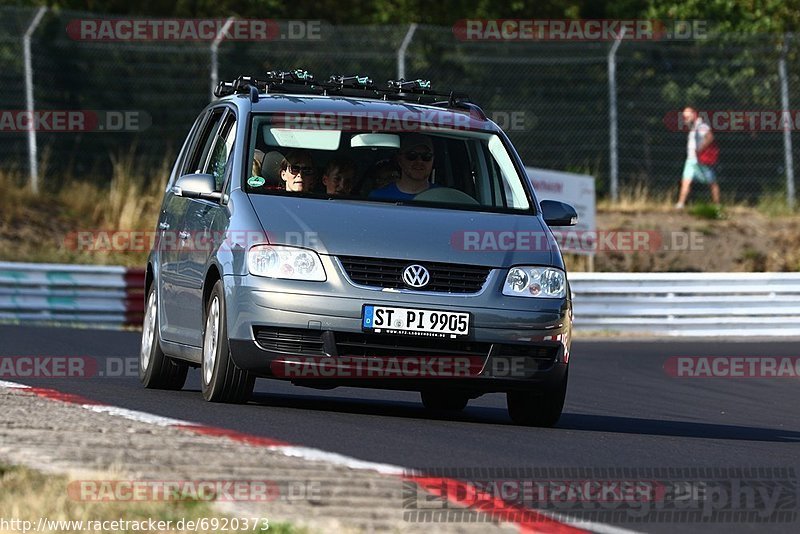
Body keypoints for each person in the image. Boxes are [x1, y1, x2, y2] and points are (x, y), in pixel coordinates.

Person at [369, 133, 438, 201]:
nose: (419, 161)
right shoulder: (378, 198)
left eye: (426, 156)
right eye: (412, 155)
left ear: (433, 160)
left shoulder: (443, 197)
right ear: (399, 160)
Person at [675, 106, 720, 209]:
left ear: (694, 114)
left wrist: (700, 149)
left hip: (701, 160)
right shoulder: (693, 127)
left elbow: (710, 137)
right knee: (686, 181)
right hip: (691, 159)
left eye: (687, 116)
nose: (685, 118)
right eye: (684, 116)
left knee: (711, 182)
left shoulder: (701, 126)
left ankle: (717, 205)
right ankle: (680, 203)